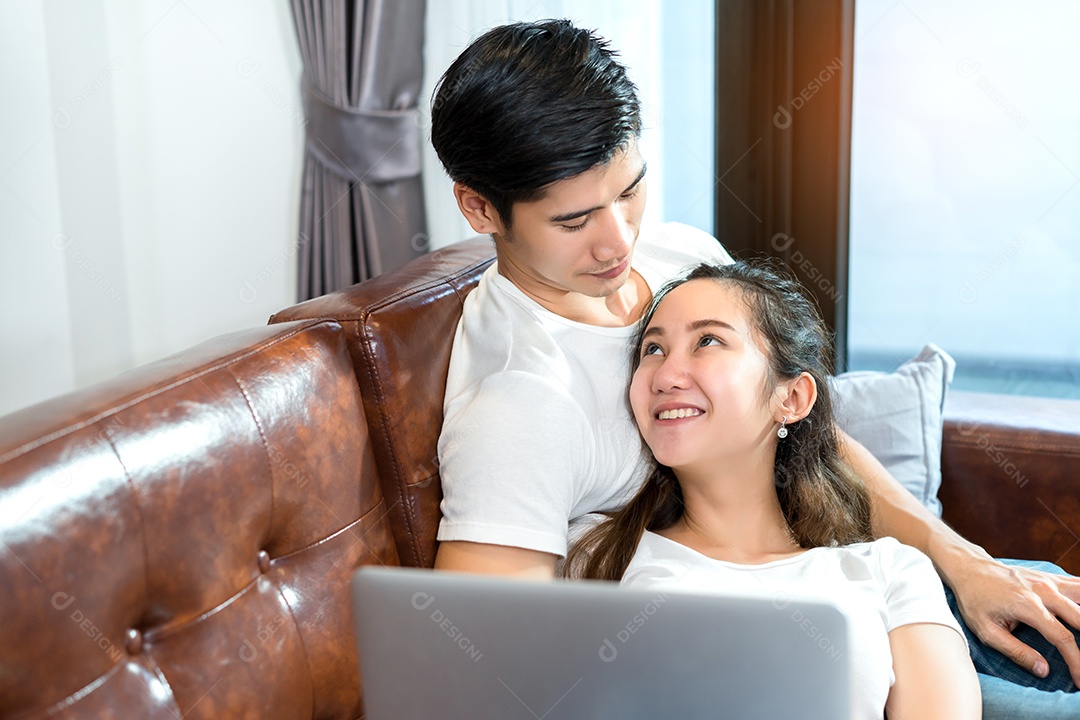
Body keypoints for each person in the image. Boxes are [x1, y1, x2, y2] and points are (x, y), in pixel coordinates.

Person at [427, 17, 1080, 714]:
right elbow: (488, 672)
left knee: (1049, 599)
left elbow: (801, 426)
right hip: (751, 653)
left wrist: (961, 560)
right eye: (574, 221)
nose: (619, 241)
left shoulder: (679, 255)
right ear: (477, 206)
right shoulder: (521, 404)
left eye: (629, 190)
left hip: (858, 574)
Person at [566, 260, 982, 718]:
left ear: (793, 398)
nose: (666, 376)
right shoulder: (598, 554)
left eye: (708, 341)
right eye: (653, 349)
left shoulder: (889, 570)